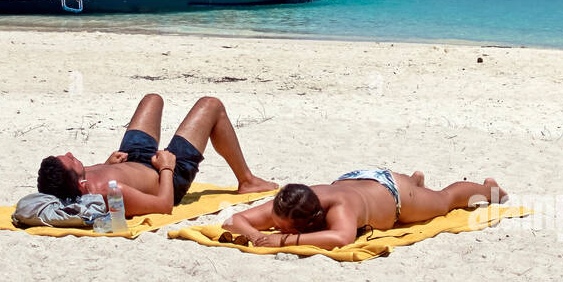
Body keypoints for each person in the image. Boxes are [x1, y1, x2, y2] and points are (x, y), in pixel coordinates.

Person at [36, 94, 276, 216]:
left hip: (133, 158)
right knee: (211, 105)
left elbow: (92, 172)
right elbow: (164, 206)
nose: (70, 153)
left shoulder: (76, 180)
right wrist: (167, 168)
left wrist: (107, 163)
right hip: (168, 176)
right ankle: (247, 181)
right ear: (80, 183)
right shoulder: (111, 194)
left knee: (153, 99)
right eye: (71, 160)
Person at [221, 170, 508, 250]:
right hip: (357, 179)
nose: (276, 227)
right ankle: (415, 182)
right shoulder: (290, 202)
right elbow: (234, 219)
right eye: (277, 223)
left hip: (393, 195)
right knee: (426, 194)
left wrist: (284, 240)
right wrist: (255, 235)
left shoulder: (339, 209)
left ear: (311, 219)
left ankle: (489, 188)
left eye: (283, 226)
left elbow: (341, 238)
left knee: (445, 200)